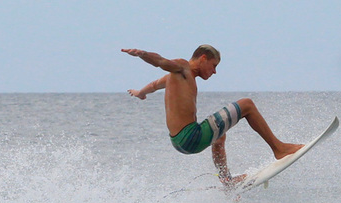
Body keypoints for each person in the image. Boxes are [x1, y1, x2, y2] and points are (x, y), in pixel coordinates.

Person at [122, 45, 301, 186]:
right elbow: (161, 61)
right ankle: (279, 149)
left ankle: (227, 182)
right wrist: (142, 54)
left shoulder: (174, 78)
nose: (214, 71)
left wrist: (140, 93)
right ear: (203, 58)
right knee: (247, 104)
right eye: (214, 65)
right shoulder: (183, 67)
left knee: (219, 136)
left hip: (178, 142)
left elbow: (153, 85)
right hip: (191, 137)